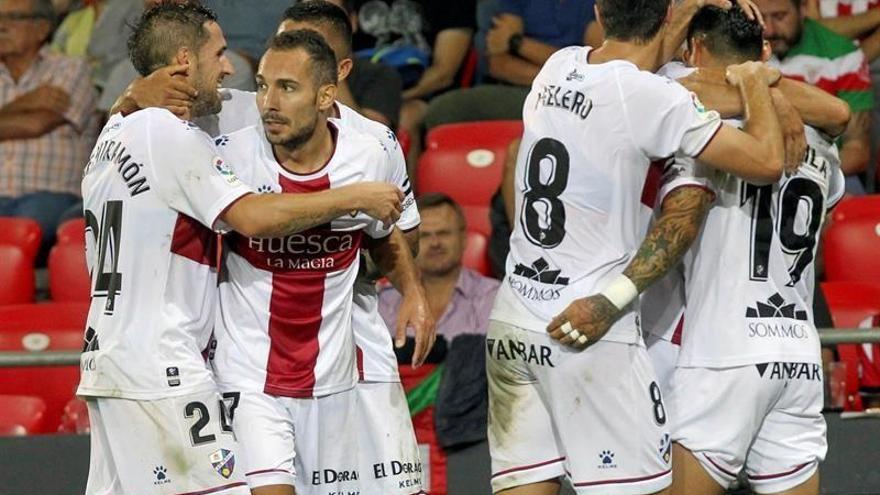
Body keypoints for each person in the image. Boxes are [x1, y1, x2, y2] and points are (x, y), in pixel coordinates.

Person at [79, 5, 404, 494]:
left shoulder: (114, 131)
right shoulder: (171, 135)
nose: (230, 67)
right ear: (185, 61)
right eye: (219, 53)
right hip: (164, 366)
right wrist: (357, 195)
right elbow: (252, 217)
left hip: (107, 359)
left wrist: (128, 97)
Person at [485, 0, 790, 492]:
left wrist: (683, 10)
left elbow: (648, 59)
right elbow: (767, 161)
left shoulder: (557, 65)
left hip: (514, 322)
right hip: (588, 327)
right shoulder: (654, 98)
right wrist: (757, 81)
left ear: (599, 13)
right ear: (671, 18)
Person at [209, 29, 433, 495]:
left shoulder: (367, 156)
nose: (269, 101)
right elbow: (252, 223)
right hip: (250, 377)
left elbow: (383, 234)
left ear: (327, 95)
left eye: (287, 88)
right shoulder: (230, 157)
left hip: (333, 379)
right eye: (263, 85)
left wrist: (411, 288)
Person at [658, 7, 845, 494]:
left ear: (695, 50)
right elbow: (839, 115)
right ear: (764, 53)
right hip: (797, 355)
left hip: (723, 352)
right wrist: (770, 92)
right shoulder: (820, 141)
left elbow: (659, 83)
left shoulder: (705, 133)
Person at [0, 0, 96, 251]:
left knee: (25, 226)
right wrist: (26, 101)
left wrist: (15, 113)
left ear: (42, 28)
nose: (2, 25)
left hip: (51, 196)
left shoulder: (71, 68)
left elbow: (37, 124)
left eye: (13, 18)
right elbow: (30, 118)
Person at [756, 0, 873, 193]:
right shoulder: (737, 51)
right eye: (761, 18)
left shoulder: (842, 55)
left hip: (827, 168)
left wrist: (807, 177)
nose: (769, 30)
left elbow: (857, 151)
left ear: (803, 10)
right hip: (753, 166)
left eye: (779, 16)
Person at [379, 193, 500, 339]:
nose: (435, 243)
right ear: (409, 245)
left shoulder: (494, 297)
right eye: (424, 235)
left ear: (463, 238)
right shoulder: (386, 300)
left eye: (443, 233)